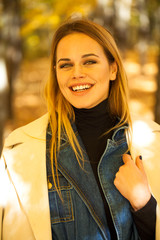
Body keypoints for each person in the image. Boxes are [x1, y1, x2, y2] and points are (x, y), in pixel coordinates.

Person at [0, 18, 159, 240]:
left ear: (113, 69)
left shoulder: (153, 142)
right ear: (56, 73)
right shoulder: (21, 150)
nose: (77, 73)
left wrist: (145, 205)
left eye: (89, 62)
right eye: (65, 65)